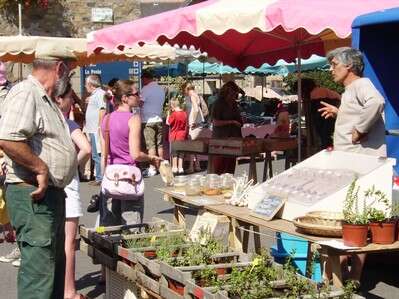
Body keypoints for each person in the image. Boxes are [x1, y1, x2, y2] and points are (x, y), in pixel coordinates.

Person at [0, 56, 77, 299]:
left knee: (51, 272)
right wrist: (41, 168)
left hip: (48, 197)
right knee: (39, 277)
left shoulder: (44, 97)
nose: (70, 75)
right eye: (70, 70)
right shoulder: (26, 92)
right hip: (34, 197)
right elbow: (9, 138)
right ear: (59, 68)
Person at [319, 47, 386, 284]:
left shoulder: (360, 85)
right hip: (351, 166)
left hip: (358, 168)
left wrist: (360, 129)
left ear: (349, 66)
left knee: (353, 222)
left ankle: (352, 277)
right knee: (349, 220)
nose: (331, 69)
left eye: (334, 65)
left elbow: (376, 103)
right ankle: (344, 275)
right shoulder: (351, 90)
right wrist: (341, 113)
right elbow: (360, 110)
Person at [100, 80, 161, 226]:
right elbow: (135, 154)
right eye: (136, 93)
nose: (139, 96)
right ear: (125, 98)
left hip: (111, 177)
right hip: (129, 178)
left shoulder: (106, 119)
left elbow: (104, 154)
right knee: (131, 226)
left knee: (110, 229)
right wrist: (151, 157)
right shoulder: (133, 119)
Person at [55, 80, 91, 299]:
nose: (72, 102)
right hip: (67, 186)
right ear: (61, 99)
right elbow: (86, 148)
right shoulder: (69, 126)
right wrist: (71, 167)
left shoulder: (43, 124)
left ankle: (57, 287)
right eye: (71, 98)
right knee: (69, 241)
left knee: (53, 240)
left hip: (48, 186)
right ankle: (70, 291)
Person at [211, 81, 243, 174]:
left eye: (235, 94)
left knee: (230, 170)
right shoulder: (218, 104)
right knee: (219, 170)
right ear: (226, 93)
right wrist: (231, 122)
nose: (234, 96)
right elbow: (215, 122)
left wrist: (239, 121)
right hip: (220, 141)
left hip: (233, 140)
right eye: (232, 94)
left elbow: (238, 120)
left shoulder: (234, 104)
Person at [140, 69, 165, 177]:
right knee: (159, 145)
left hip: (148, 120)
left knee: (151, 145)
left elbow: (140, 103)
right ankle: (161, 166)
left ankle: (152, 168)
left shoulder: (145, 89)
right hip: (159, 119)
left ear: (145, 79)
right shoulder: (161, 89)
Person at [84, 74, 106, 185]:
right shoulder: (96, 94)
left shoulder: (100, 94)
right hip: (92, 129)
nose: (85, 86)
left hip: (95, 129)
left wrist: (99, 126)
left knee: (98, 154)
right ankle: (98, 177)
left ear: (91, 84)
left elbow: (102, 110)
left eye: (86, 84)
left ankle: (100, 178)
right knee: (95, 154)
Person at [183, 82, 209, 173]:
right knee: (194, 144)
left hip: (194, 123)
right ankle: (197, 165)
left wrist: (192, 121)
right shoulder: (196, 95)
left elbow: (196, 109)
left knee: (191, 145)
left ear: (186, 89)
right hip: (198, 122)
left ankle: (191, 166)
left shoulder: (192, 96)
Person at [167, 97, 188, 175]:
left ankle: (175, 167)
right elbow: (186, 125)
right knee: (181, 152)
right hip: (182, 134)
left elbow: (168, 122)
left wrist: (169, 114)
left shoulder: (173, 114)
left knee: (175, 152)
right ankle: (181, 168)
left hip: (174, 134)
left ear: (172, 105)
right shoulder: (184, 113)